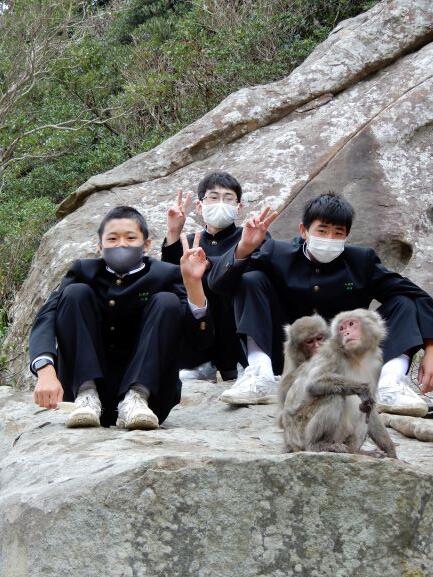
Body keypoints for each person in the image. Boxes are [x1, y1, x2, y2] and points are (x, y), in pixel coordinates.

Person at [207, 192, 433, 416]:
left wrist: (431, 347)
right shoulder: (277, 253)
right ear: (303, 230)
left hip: (344, 361)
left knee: (404, 301)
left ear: (347, 236)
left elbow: (416, 295)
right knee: (250, 279)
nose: (330, 238)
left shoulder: (361, 261)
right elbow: (219, 285)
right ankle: (260, 374)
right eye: (322, 231)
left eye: (338, 233)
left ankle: (390, 384)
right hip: (285, 356)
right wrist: (244, 248)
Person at [30, 205, 212, 429]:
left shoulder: (165, 274)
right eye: (112, 238)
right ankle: (87, 393)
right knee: (75, 293)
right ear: (100, 246)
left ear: (146, 244)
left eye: (130, 237)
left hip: (149, 402)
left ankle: (137, 395)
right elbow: (47, 316)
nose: (121, 244)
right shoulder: (83, 271)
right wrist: (45, 370)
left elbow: (199, 343)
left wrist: (193, 285)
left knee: (167, 301)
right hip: (81, 401)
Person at [161, 171, 263, 381]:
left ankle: (244, 361)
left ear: (239, 207)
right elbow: (170, 279)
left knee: (241, 281)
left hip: (235, 330)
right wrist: (173, 233)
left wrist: (208, 265)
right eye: (214, 197)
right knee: (175, 295)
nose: (220, 204)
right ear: (199, 206)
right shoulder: (190, 241)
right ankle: (198, 362)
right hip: (200, 334)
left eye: (228, 198)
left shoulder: (250, 236)